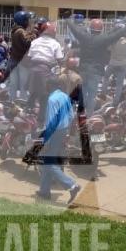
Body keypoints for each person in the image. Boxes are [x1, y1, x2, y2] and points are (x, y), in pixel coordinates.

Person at [68, 16, 126, 114]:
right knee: (91, 96)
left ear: (90, 28)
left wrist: (69, 19)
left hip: (83, 70)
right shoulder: (104, 38)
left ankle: (80, 113)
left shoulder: (84, 36)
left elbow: (74, 29)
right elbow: (117, 34)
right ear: (101, 28)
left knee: (83, 93)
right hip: (96, 72)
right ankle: (89, 116)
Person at [36, 75, 82, 204]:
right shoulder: (64, 96)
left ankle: (72, 186)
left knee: (49, 163)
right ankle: (44, 192)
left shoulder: (51, 99)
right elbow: (71, 115)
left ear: (50, 86)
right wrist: (66, 133)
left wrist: (46, 140)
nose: (45, 87)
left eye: (46, 85)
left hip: (54, 133)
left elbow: (51, 121)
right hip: (63, 131)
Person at [26, 22, 65, 121]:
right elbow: (60, 60)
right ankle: (40, 122)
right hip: (45, 71)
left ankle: (27, 115)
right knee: (44, 97)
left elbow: (29, 57)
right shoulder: (55, 43)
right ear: (53, 32)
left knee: (32, 94)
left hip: (32, 71)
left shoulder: (35, 42)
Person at [103, 28, 126, 105]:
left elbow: (106, 46)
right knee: (119, 84)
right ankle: (115, 102)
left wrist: (111, 32)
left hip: (113, 63)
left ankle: (103, 94)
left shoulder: (112, 40)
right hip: (123, 64)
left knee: (106, 78)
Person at [8, 11, 35, 99]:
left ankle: (12, 100)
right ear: (23, 21)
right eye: (27, 20)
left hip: (14, 59)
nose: (28, 21)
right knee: (24, 84)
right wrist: (33, 33)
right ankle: (22, 102)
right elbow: (28, 42)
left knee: (13, 84)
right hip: (21, 61)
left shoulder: (15, 30)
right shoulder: (20, 31)